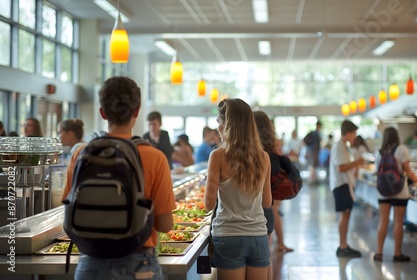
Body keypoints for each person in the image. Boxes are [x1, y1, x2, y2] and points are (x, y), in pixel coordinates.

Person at [62, 76, 176, 280]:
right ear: (137, 111)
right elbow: (164, 225)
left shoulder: (81, 153)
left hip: (89, 263)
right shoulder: (154, 157)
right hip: (138, 265)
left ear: (102, 112)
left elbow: (68, 213)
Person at [204, 98, 272, 280]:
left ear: (227, 124)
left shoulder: (217, 156)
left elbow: (208, 204)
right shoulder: (264, 157)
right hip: (258, 236)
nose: (217, 127)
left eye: (218, 122)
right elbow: (267, 202)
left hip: (228, 236)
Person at [374, 127, 417, 262]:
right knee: (398, 221)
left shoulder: (378, 152)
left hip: (383, 191)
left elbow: (377, 171)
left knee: (383, 220)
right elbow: (408, 171)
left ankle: (379, 253)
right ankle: (397, 254)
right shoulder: (402, 149)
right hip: (400, 190)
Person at [254, 111, 293, 254]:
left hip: (266, 186)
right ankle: (280, 242)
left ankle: (281, 243)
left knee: (272, 211)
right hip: (275, 183)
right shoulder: (272, 144)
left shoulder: (256, 147)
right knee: (273, 212)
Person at [329, 120, 363, 258]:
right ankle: (342, 245)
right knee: (344, 214)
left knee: (346, 214)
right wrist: (357, 163)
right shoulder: (339, 146)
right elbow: (341, 167)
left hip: (345, 184)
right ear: (348, 133)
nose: (354, 136)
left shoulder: (344, 146)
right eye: (354, 133)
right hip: (341, 184)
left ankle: (344, 244)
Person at [253, 110, 278, 279]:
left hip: (255, 203)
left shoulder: (253, 150)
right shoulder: (272, 148)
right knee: (266, 255)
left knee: (262, 257)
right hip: (268, 202)